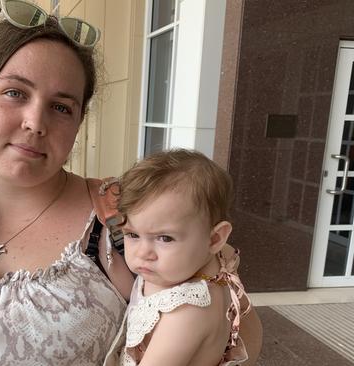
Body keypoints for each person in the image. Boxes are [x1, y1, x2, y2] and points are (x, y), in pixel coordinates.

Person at [0, 1, 261, 365]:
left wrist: (212, 313)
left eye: (61, 107)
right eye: (15, 93)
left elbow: (237, 324)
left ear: (77, 124)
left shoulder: (126, 214)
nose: (35, 122)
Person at [104, 149, 254, 366]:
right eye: (132, 235)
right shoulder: (213, 259)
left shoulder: (186, 313)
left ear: (214, 239)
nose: (142, 253)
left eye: (164, 238)